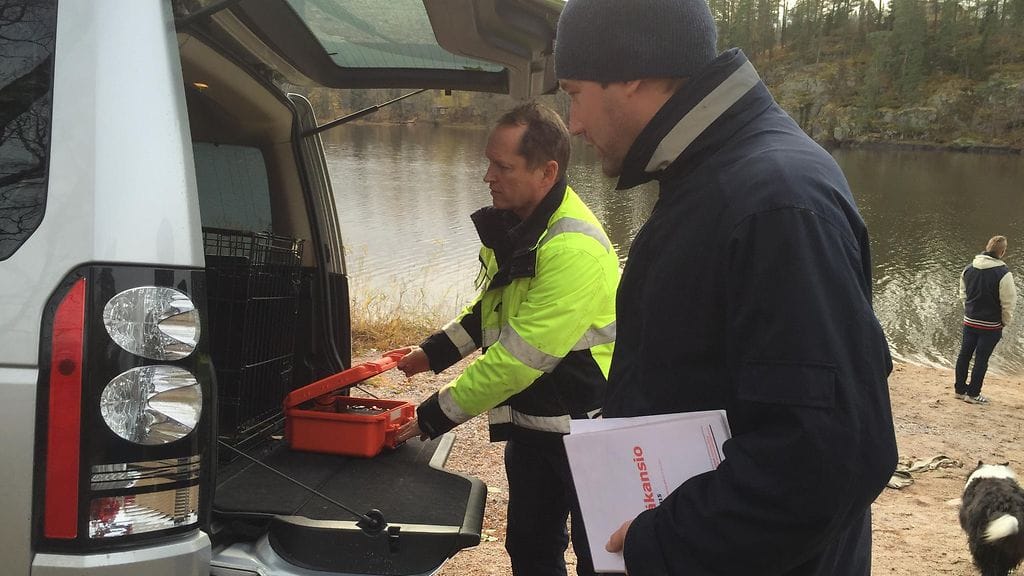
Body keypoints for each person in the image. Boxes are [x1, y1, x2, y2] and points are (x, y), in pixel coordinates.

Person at [553, 0, 899, 574]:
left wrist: (658, 543)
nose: (573, 122)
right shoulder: (713, 178)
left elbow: (828, 458)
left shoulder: (773, 202)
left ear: (633, 72)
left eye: (574, 92)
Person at [392, 101, 620, 576]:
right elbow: (492, 311)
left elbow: (518, 359)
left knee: (599, 555)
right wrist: (430, 353)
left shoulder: (572, 248)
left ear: (547, 171)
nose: (487, 177)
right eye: (488, 162)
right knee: (530, 547)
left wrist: (430, 415)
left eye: (503, 166)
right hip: (535, 424)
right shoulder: (517, 228)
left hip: (587, 427)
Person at [954, 235, 1017, 404]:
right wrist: (1004, 322)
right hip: (990, 326)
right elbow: (1008, 302)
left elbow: (963, 294)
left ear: (987, 248)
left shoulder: (968, 269)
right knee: (981, 359)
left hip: (970, 321)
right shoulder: (1004, 274)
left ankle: (959, 390)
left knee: (964, 355)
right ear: (1002, 252)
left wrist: (969, 311)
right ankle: (973, 394)